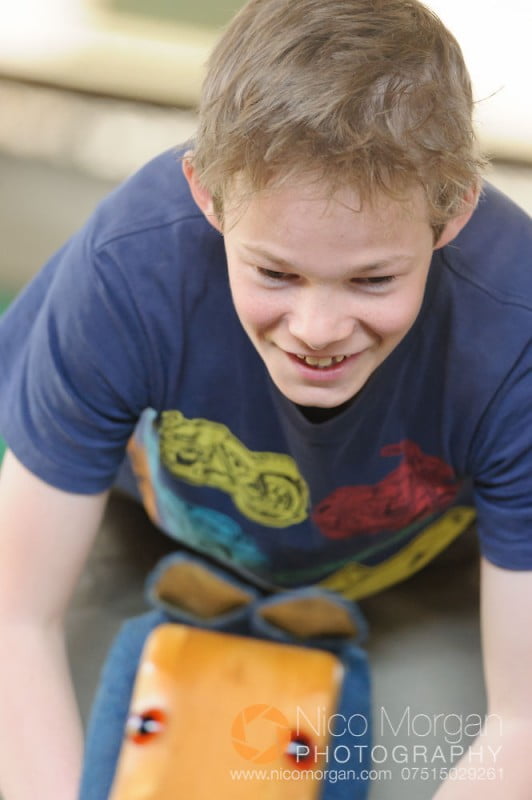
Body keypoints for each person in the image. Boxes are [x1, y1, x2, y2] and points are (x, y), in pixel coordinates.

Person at [0, 0, 531, 797]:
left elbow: (522, 718)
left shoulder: (514, 330)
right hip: (146, 539)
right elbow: (15, 619)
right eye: (275, 273)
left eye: (372, 280)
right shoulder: (129, 269)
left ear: (452, 209)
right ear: (208, 196)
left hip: (418, 580)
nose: (317, 330)